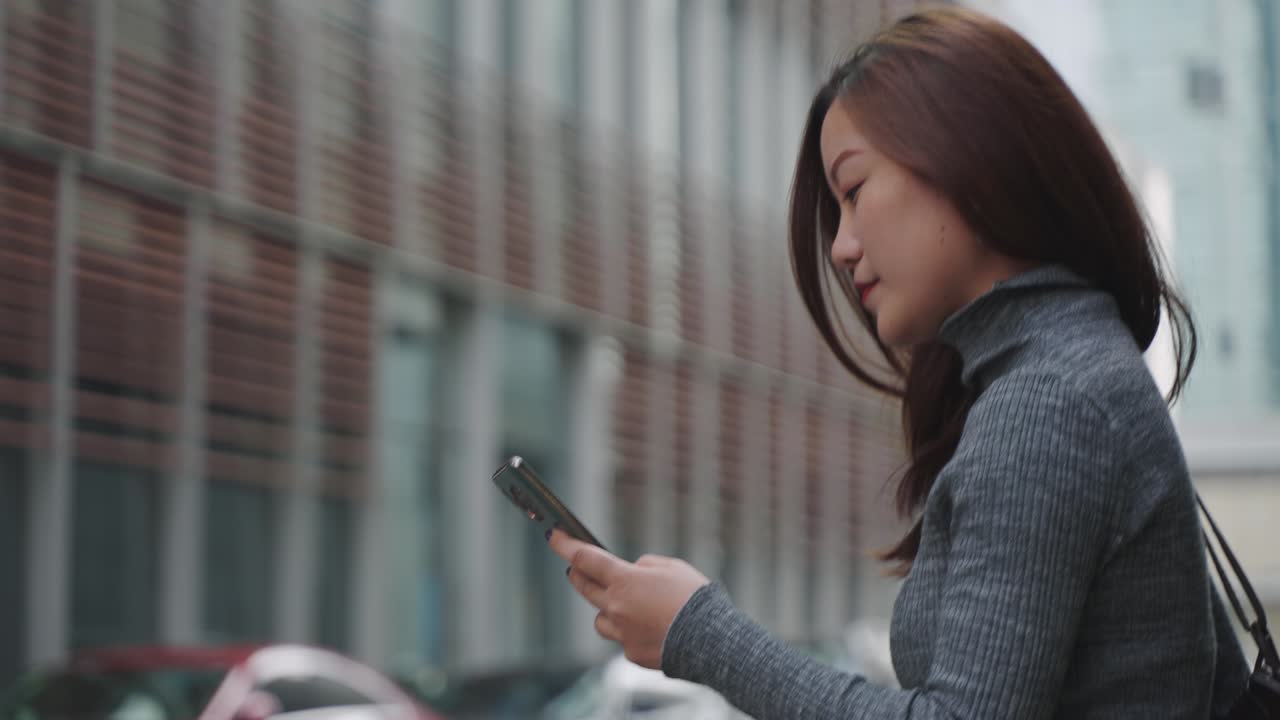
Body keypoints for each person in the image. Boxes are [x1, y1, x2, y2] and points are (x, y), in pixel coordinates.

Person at [549, 6, 1252, 719]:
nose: (840, 246)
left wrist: (700, 635)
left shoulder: (1051, 402)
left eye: (853, 193)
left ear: (967, 156)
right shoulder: (1071, 372)